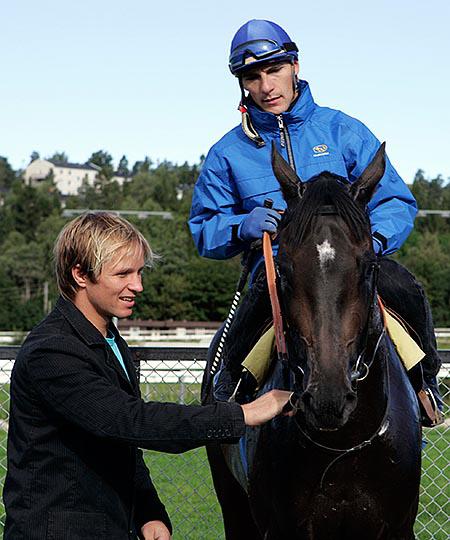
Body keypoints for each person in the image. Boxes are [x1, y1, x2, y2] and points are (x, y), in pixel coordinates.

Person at [189, 19, 443, 423]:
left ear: (295, 66)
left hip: (353, 265)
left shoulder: (343, 130)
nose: (266, 86)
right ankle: (229, 398)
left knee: (405, 286)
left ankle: (425, 383)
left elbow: (394, 199)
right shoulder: (227, 153)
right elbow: (204, 228)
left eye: (274, 70)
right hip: (278, 270)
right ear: (242, 84)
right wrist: (239, 226)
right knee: (246, 318)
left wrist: (374, 243)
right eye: (253, 77)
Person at [3, 212, 293, 540]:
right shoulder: (52, 351)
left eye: (139, 272)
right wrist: (244, 414)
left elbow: (122, 444)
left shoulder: (109, 341)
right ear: (80, 274)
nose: (138, 286)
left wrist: (148, 511)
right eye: (123, 274)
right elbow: (131, 422)